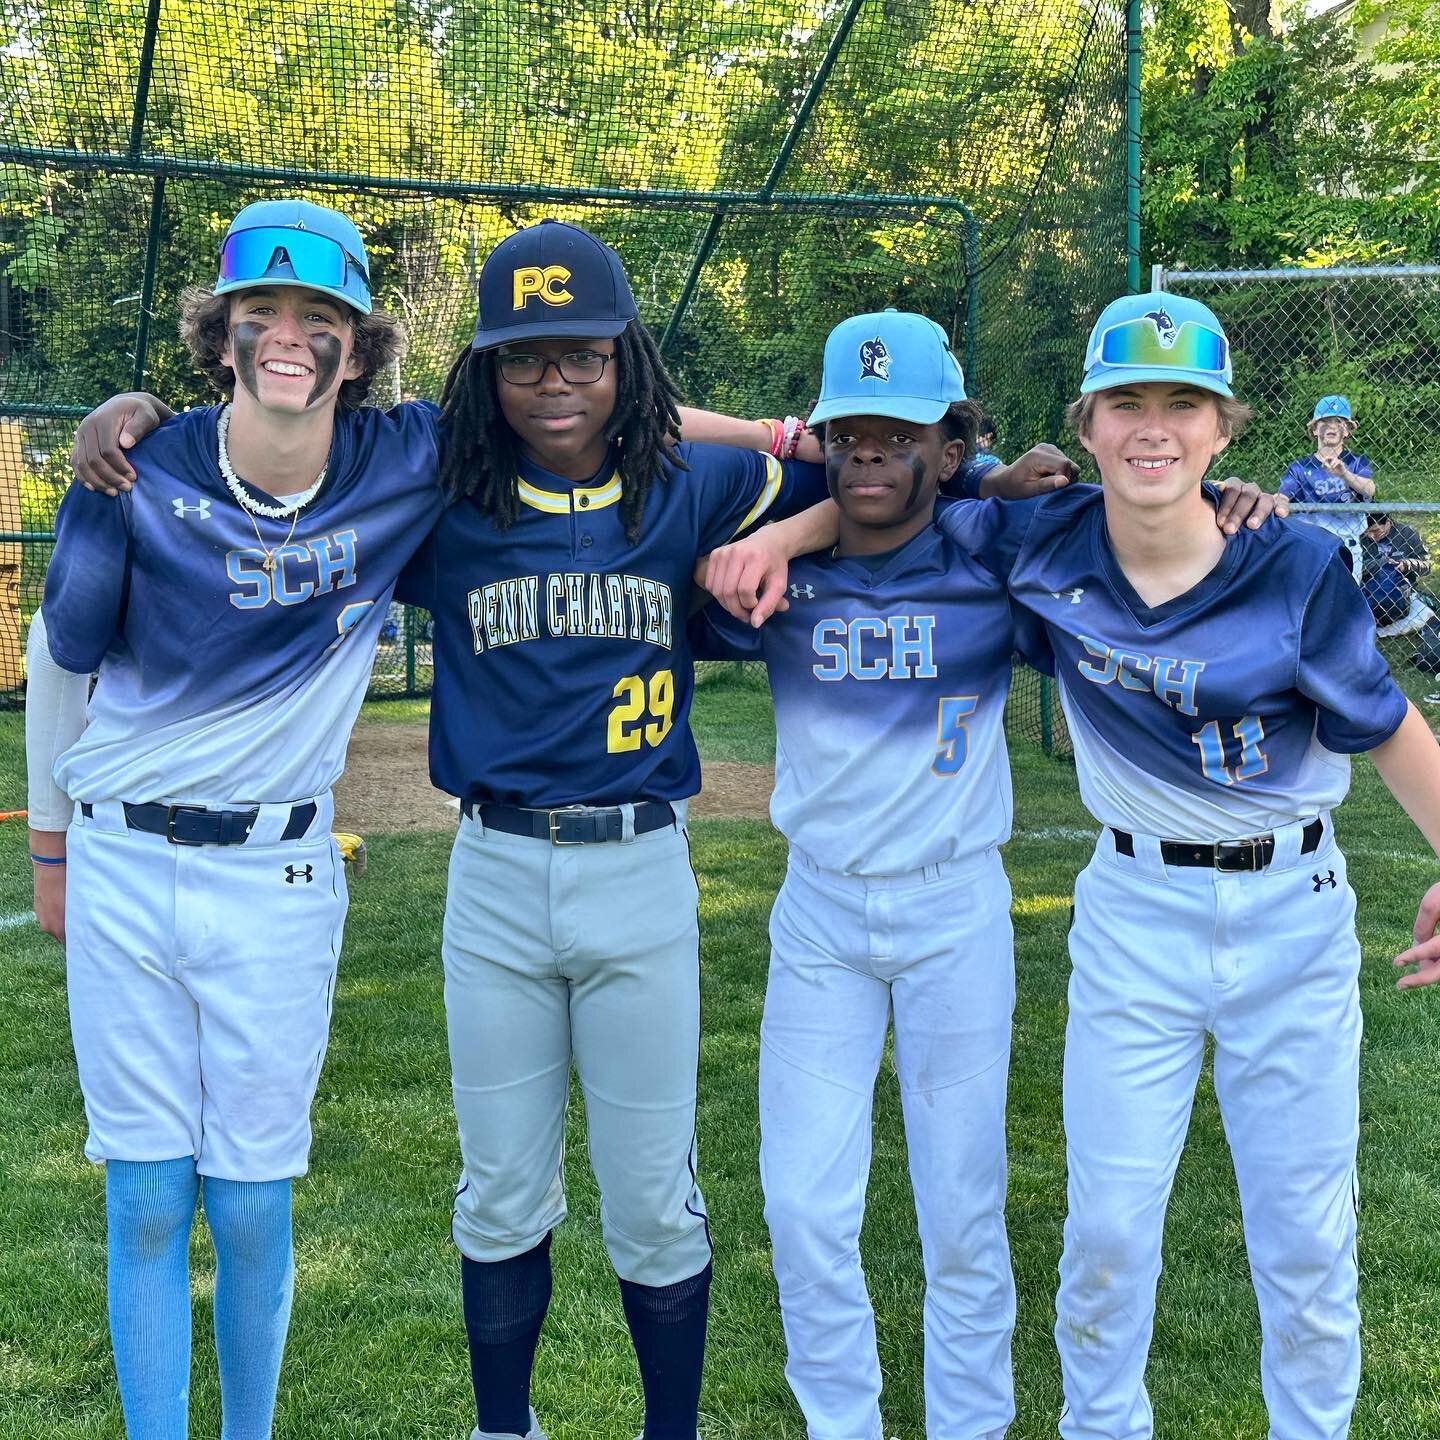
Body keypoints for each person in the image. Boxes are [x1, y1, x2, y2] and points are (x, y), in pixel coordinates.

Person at [71, 220, 1088, 1440]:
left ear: (626, 363)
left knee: (655, 1201)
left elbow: (873, 479)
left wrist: (941, 482)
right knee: (502, 1192)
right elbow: (282, 462)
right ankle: (506, 1427)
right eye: (522, 357)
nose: (554, 381)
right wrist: (130, 412)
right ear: (484, 374)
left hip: (642, 865)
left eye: (584, 356)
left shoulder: (688, 485)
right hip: (492, 868)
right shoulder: (441, 488)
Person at [711, 291, 1440, 1440]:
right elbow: (891, 508)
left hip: (1292, 907)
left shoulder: (1289, 558)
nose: (1155, 429)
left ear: (1224, 429)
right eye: (1128, 405)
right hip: (1132, 908)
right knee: (1105, 1234)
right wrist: (776, 530)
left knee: (1306, 1237)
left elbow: (1390, 724)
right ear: (1087, 427)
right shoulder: (1037, 544)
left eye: (1183, 406)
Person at [27, 199, 446, 1439]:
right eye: (259, 313)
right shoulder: (132, 468)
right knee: (146, 1199)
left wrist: (787, 444)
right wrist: (47, 849)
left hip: (274, 881)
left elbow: (576, 410)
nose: (287, 337)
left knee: (256, 1203)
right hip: (120, 859)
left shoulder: (400, 461)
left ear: (358, 351)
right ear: (219, 338)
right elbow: (62, 661)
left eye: (319, 317)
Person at [691, 310, 1022, 1440]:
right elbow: (637, 429)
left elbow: (1138, 515)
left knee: (962, 1211)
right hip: (821, 911)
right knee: (801, 1206)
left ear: (948, 445)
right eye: (849, 436)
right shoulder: (775, 553)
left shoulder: (996, 552)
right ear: (819, 443)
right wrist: (784, 506)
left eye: (901, 436)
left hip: (955, 905)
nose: (870, 456)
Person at [1278, 394, 1375, 580]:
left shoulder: (1355, 463)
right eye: (1325, 421)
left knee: (1345, 602)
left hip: (1347, 546)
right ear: (1314, 429)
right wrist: (1278, 501)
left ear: (1346, 430)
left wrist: (1344, 474)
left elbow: (1369, 489)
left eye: (1339, 421)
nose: (1332, 426)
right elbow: (1283, 496)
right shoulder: (1300, 467)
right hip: (1311, 545)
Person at [1360, 509, 1433, 636]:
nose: (1371, 536)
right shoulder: (1360, 537)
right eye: (1367, 532)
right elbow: (1354, 566)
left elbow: (1426, 566)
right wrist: (1382, 562)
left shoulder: (1407, 533)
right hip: (1368, 587)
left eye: (1375, 531)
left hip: (1400, 589)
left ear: (1388, 522)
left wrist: (1407, 564)